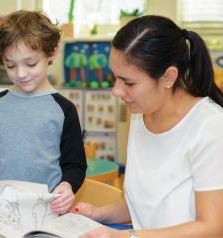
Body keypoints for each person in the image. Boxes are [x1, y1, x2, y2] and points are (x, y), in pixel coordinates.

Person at [74, 15, 223, 237]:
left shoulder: (210, 126)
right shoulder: (141, 114)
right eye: (114, 78)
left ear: (168, 77)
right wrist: (98, 214)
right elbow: (144, 206)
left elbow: (212, 227)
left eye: (129, 82)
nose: (116, 91)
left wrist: (126, 236)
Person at [0, 10, 87, 219]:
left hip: (47, 217)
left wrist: (68, 186)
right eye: (10, 65)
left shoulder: (64, 109)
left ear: (51, 53)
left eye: (30, 64)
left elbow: (75, 164)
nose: (20, 74)